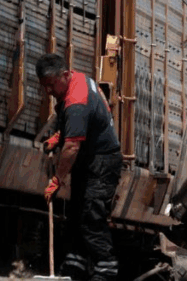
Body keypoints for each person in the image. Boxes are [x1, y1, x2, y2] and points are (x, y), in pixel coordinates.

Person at [37, 53, 122, 281]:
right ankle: (75, 267)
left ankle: (106, 271)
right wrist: (58, 136)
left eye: (51, 85)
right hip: (92, 159)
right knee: (77, 216)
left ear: (64, 75)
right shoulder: (80, 79)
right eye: (45, 86)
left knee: (91, 217)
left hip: (101, 163)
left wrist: (57, 180)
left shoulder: (76, 101)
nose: (49, 91)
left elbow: (72, 147)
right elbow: (90, 119)